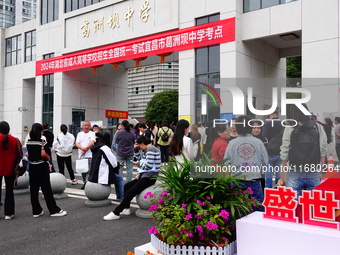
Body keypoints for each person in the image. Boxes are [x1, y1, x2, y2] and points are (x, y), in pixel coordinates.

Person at [103, 135, 160, 220]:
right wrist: (136, 151)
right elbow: (139, 158)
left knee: (130, 192)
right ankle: (126, 209)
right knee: (126, 187)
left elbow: (148, 165)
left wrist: (139, 164)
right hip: (145, 176)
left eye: (139, 145)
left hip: (149, 177)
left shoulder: (151, 149)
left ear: (143, 143)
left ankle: (116, 212)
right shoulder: (148, 149)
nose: (139, 147)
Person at [278, 105, 327, 197]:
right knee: (313, 202)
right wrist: (320, 171)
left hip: (294, 171)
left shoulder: (290, 128)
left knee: (293, 202)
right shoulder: (318, 127)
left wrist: (283, 172)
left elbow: (285, 151)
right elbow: (323, 151)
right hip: (313, 170)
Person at [224, 115, 268, 212]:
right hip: (254, 179)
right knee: (258, 206)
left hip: (237, 179)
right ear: (250, 127)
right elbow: (265, 161)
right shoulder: (258, 142)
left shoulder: (232, 143)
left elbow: (226, 163)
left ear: (238, 128)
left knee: (238, 208)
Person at [26, 123, 67, 217]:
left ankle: (36, 211)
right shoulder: (42, 142)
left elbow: (28, 154)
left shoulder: (29, 142)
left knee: (34, 190)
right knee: (46, 189)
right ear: (40, 131)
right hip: (41, 166)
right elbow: (47, 156)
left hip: (32, 166)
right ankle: (53, 210)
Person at [0, 121, 21, 219]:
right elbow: (19, 155)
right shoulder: (15, 140)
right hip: (11, 169)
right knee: (9, 191)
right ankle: (8, 213)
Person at [262, 112, 282, 188]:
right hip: (280, 152)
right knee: (279, 173)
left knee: (268, 173)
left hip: (269, 152)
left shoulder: (267, 124)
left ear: (270, 115)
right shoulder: (282, 124)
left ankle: (269, 189)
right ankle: (279, 189)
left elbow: (264, 136)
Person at [75, 121, 96, 190]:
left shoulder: (92, 133)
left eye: (88, 125)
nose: (86, 127)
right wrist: (82, 149)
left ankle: (88, 183)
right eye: (85, 125)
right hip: (81, 155)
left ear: (90, 126)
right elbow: (77, 143)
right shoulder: (79, 134)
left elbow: (92, 142)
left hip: (89, 155)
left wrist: (85, 149)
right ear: (82, 126)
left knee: (89, 170)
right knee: (83, 170)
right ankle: (85, 182)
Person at [251, 120, 268, 190]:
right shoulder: (247, 140)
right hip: (248, 166)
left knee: (261, 183)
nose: (256, 130)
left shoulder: (264, 139)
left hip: (260, 166)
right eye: (254, 128)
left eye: (258, 128)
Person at [110, 123, 125, 201]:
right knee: (119, 178)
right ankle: (122, 196)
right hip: (118, 152)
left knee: (118, 177)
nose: (120, 127)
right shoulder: (117, 133)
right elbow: (114, 143)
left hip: (119, 152)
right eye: (119, 126)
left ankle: (119, 196)